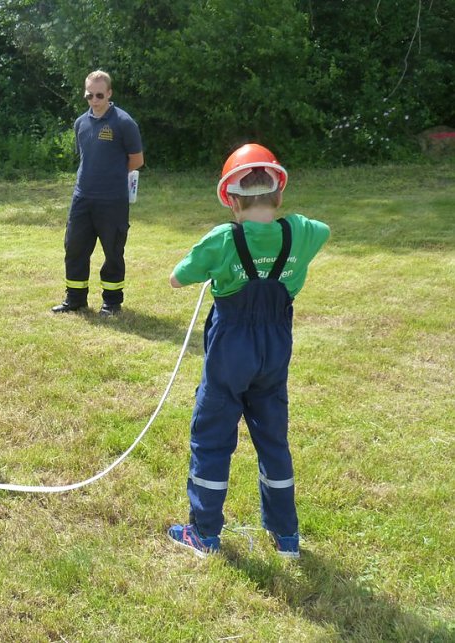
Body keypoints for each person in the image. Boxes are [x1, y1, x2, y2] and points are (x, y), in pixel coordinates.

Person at [166, 143, 330, 559]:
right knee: (273, 437)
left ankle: (203, 533)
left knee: (212, 437)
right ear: (278, 195)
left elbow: (177, 278)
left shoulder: (224, 239)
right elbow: (323, 229)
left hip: (230, 351)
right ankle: (286, 536)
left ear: (231, 200)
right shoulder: (302, 233)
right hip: (274, 350)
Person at [52, 69, 144, 317]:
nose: (94, 100)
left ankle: (112, 302)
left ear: (109, 94)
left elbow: (136, 160)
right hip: (82, 198)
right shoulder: (80, 123)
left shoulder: (124, 122)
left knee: (113, 251)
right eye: (89, 95)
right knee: (75, 248)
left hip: (112, 200)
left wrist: (112, 175)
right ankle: (75, 299)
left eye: (99, 95)